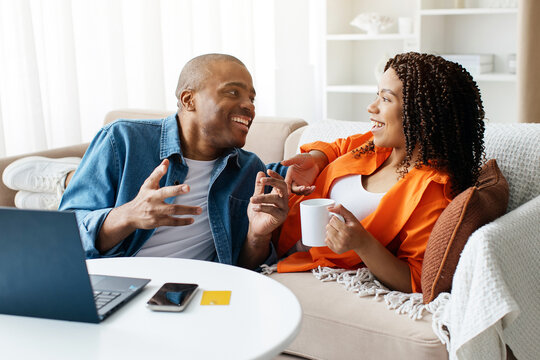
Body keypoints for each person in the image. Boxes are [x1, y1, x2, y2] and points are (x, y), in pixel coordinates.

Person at [3, 53, 288, 270]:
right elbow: (64, 236)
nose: (249, 105)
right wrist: (127, 215)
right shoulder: (122, 140)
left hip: (186, 295)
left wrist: (257, 236)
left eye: (251, 97)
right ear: (189, 100)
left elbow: (243, 268)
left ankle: (64, 180)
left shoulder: (250, 170)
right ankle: (62, 179)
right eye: (233, 92)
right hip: (116, 282)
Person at [253, 52, 486, 293]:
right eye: (377, 95)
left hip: (274, 250)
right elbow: (337, 147)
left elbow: (415, 279)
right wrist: (316, 159)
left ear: (423, 115)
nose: (371, 107)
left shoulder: (431, 189)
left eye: (386, 99)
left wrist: (362, 244)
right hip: (273, 216)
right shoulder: (376, 146)